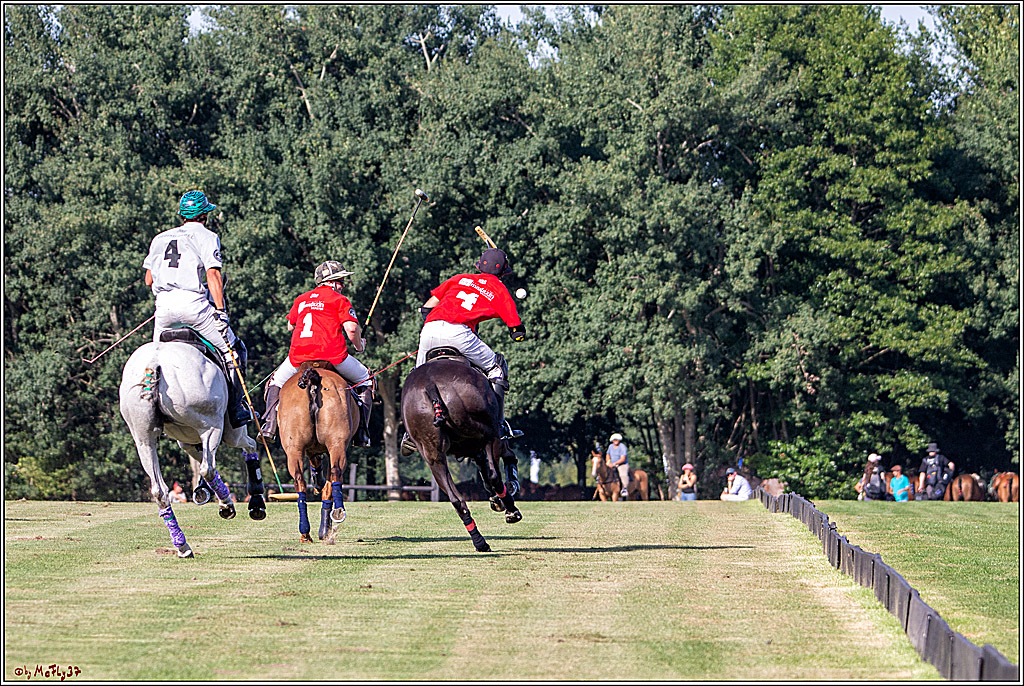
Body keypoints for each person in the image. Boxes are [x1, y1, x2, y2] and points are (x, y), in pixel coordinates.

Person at [143, 190, 252, 427]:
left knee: (154, 357)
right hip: (194, 307)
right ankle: (236, 408)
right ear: (205, 214)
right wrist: (221, 311)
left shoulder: (159, 238)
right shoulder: (207, 236)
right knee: (232, 350)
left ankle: (151, 407)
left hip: (163, 308)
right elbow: (213, 275)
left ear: (182, 215)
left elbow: (149, 280)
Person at [401, 248, 526, 454]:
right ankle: (499, 425)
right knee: (497, 367)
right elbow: (515, 328)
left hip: (429, 331)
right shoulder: (499, 290)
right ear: (503, 272)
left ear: (478, 266)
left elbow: (426, 308)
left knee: (417, 377)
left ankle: (409, 432)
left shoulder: (460, 278)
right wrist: (518, 333)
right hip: (460, 334)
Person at [259, 261, 374, 446]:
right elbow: (352, 329)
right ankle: (362, 434)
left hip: (299, 358)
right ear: (333, 282)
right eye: (341, 281)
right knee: (366, 378)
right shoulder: (339, 300)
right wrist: (360, 346)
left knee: (276, 382)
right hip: (332, 357)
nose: (343, 286)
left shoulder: (301, 299)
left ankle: (269, 426)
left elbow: (290, 325)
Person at [606, 433, 629, 499]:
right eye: (614, 440)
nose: (615, 441)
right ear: (612, 440)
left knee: (623, 474)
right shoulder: (610, 446)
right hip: (611, 464)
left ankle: (624, 488)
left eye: (617, 439)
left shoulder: (622, 446)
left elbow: (623, 458)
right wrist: (608, 461)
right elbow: (608, 455)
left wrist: (614, 464)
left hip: (621, 464)